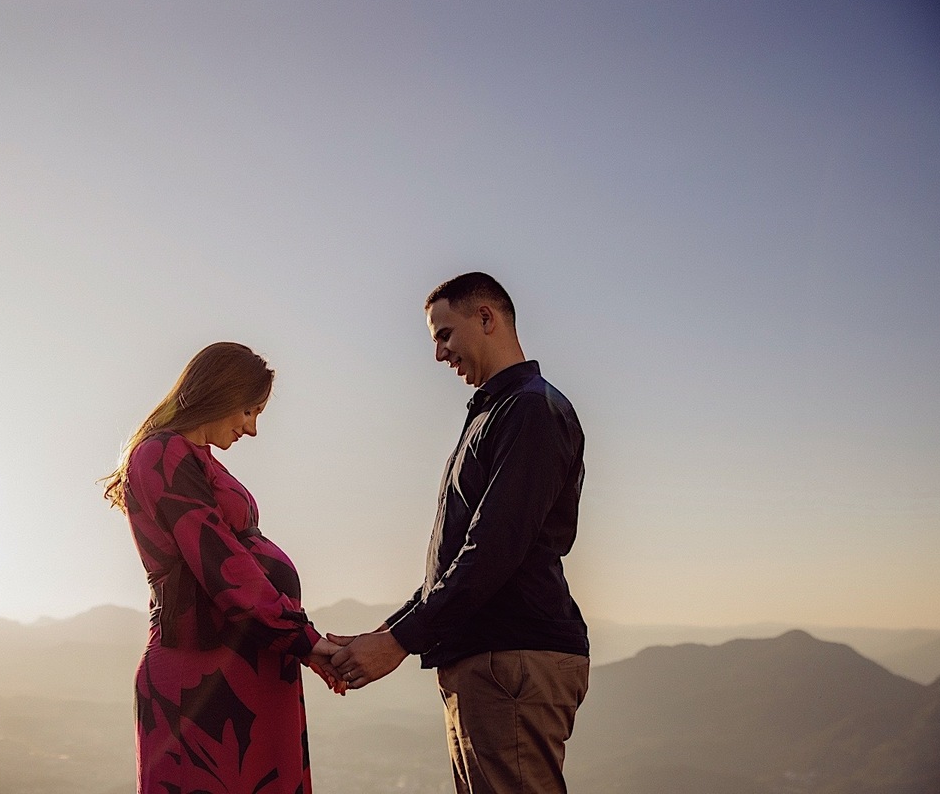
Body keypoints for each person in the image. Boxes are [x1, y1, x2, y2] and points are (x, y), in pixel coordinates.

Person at [329, 273, 590, 794]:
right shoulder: (498, 414)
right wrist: (387, 632)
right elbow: (458, 559)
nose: (439, 353)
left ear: (486, 318)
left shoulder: (529, 411)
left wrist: (400, 641)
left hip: (511, 658)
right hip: (490, 659)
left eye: (443, 334)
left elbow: (492, 550)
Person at [102, 341, 344, 794]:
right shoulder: (162, 454)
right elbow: (222, 566)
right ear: (222, 393)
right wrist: (303, 641)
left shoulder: (196, 458)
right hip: (204, 677)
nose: (251, 430)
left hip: (246, 665)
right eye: (249, 412)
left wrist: (297, 643)